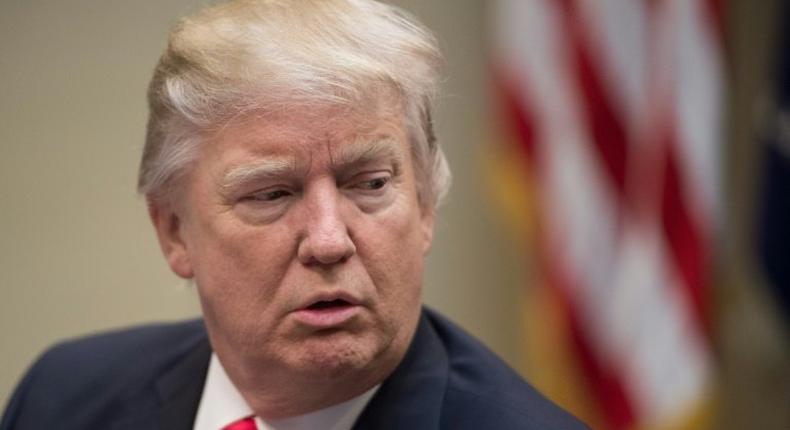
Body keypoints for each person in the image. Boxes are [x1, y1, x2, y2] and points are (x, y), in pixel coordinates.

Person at [1, 1, 586, 429]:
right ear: (174, 230)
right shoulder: (63, 398)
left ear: (426, 205)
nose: (330, 241)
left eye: (371, 184)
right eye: (271, 194)